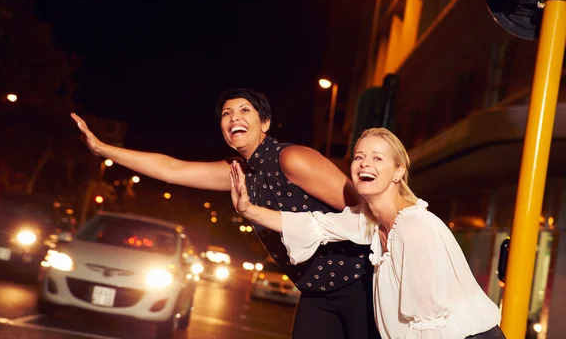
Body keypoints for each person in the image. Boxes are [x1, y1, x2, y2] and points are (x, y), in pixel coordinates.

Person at [72, 88, 380, 339]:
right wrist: (103, 149)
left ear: (265, 123)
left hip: (359, 286)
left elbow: (367, 210)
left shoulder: (292, 159)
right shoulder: (238, 173)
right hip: (314, 293)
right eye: (226, 113)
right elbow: (172, 169)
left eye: (245, 110)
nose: (234, 117)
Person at [230, 127, 506, 339]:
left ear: (398, 173)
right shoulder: (369, 220)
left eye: (377, 158)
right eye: (359, 157)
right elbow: (313, 225)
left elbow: (428, 321)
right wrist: (249, 210)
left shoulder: (414, 227)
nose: (364, 164)